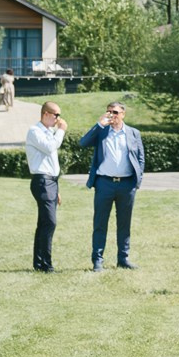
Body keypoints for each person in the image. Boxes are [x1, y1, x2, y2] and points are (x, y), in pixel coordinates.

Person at [76, 101, 144, 272]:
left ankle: (123, 258)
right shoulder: (101, 131)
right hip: (104, 183)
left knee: (124, 224)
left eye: (115, 112)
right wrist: (99, 123)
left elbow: (140, 158)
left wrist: (137, 181)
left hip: (127, 185)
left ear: (123, 114)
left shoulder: (133, 133)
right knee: (100, 223)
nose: (111, 115)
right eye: (108, 112)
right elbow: (83, 143)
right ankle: (97, 261)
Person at [24, 100, 66, 273]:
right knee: (50, 222)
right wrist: (61, 131)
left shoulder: (49, 132)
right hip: (42, 181)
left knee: (44, 223)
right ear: (46, 114)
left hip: (50, 182)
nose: (58, 119)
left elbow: (52, 162)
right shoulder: (35, 131)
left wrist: (56, 189)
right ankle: (46, 264)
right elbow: (50, 148)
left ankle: (40, 263)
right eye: (56, 115)